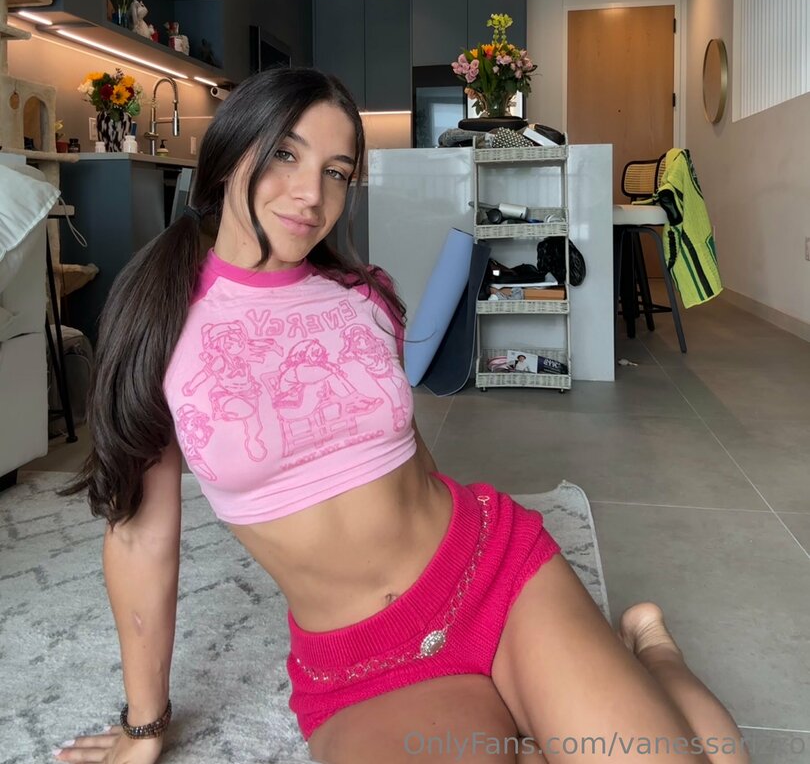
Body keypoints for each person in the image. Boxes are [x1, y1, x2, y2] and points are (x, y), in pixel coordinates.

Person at [57, 69, 751, 763]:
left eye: (336, 172)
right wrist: (145, 727)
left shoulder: (364, 297)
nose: (311, 194)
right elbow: (140, 540)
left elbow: (406, 456)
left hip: (488, 569)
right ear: (230, 152)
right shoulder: (160, 323)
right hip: (367, 667)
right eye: (285, 154)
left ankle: (653, 654)